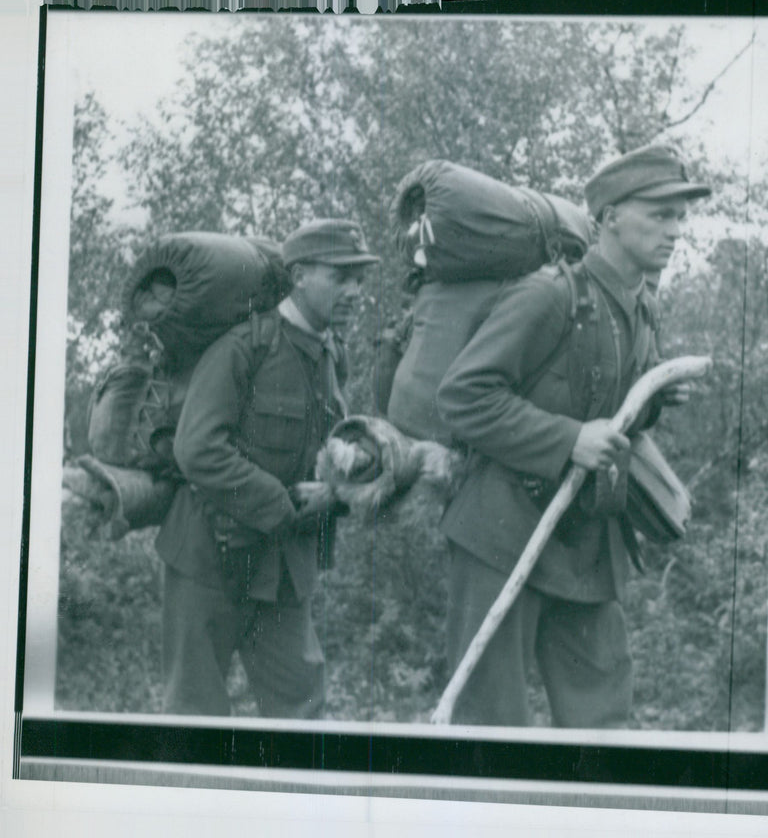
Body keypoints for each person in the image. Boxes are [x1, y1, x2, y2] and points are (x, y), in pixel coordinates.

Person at [435, 145, 710, 727]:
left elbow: (605, 409)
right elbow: (462, 397)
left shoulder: (643, 310)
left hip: (586, 541)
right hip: (502, 535)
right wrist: (566, 439)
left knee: (603, 720)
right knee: (489, 729)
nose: (675, 231)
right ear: (610, 216)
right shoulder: (549, 295)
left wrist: (652, 401)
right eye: (659, 214)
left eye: (680, 217)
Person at [155, 219, 379, 717]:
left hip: (282, 571)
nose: (355, 291)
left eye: (360, 279)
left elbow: (328, 447)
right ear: (299, 275)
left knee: (302, 710)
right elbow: (197, 449)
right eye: (340, 276)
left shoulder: (329, 355)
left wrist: (337, 488)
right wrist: (286, 505)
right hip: (208, 560)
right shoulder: (244, 347)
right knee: (195, 719)